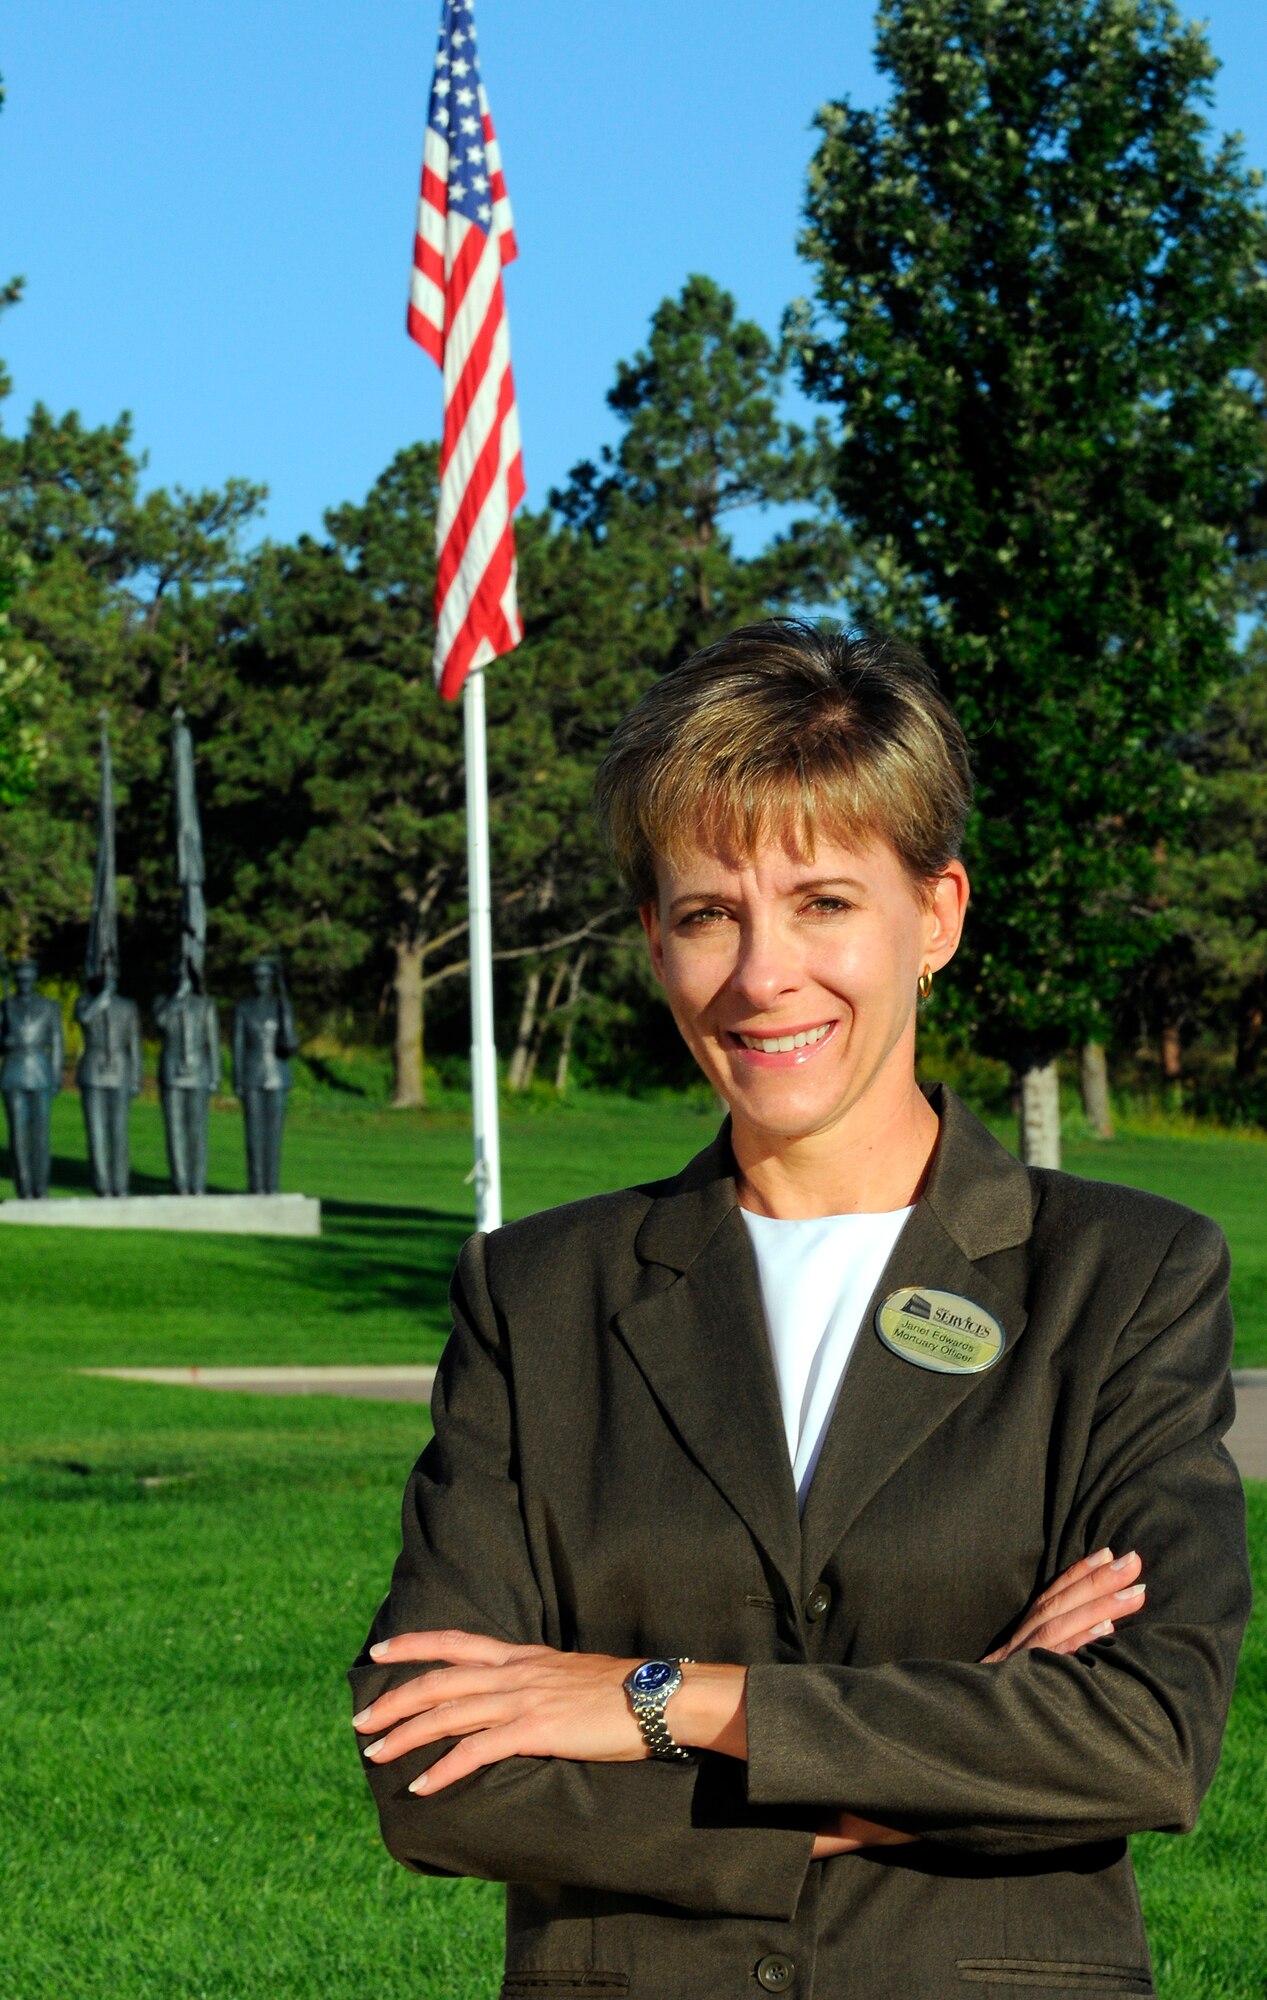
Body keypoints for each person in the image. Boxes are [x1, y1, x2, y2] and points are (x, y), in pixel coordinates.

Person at [349, 622, 1248, 2000]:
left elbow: (1134, 1737)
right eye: (708, 913)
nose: (762, 975)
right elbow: (433, 1768)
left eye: (824, 901)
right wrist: (938, 1760)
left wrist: (661, 1700)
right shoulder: (537, 1297)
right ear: (652, 940)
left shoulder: (1120, 1279)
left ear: (934, 915)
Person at [74, 972, 142, 1198]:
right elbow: (83, 1019)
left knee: (119, 1131)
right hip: (93, 1070)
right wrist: (101, 1000)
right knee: (96, 1131)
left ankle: (120, 1185)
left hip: (120, 1070)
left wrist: (135, 1078)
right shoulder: (85, 1002)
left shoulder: (128, 1006)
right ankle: (102, 1185)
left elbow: (134, 1044)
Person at [231, 957, 296, 1194]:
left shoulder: (281, 1005)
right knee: (254, 1136)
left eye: (266, 978)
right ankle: (256, 1185)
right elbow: (237, 1046)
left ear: (271, 980)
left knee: (273, 1136)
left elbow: (291, 1044)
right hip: (251, 1075)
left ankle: (272, 1185)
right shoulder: (243, 1007)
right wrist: (237, 1079)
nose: (261, 982)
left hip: (277, 1075)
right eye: (257, 977)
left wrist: (285, 1005)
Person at [154, 965, 221, 1195]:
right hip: (172, 1072)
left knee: (197, 1131)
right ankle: (180, 1182)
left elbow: (213, 1042)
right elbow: (160, 1023)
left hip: (198, 1072)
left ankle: (197, 1183)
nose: (182, 981)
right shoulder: (164, 1002)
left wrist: (215, 1075)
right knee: (174, 1130)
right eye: (178, 977)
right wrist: (176, 999)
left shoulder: (205, 1005)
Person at [1, 959, 63, 1199]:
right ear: (16, 981)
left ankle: (41, 1187)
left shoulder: (49, 1006)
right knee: (18, 1135)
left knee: (40, 1135)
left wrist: (56, 1075)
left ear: (34, 980)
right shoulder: (5, 1006)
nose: (24, 984)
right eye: (20, 980)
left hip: (40, 1071)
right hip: (13, 1072)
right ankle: (24, 1187)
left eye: (28, 980)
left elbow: (57, 1042)